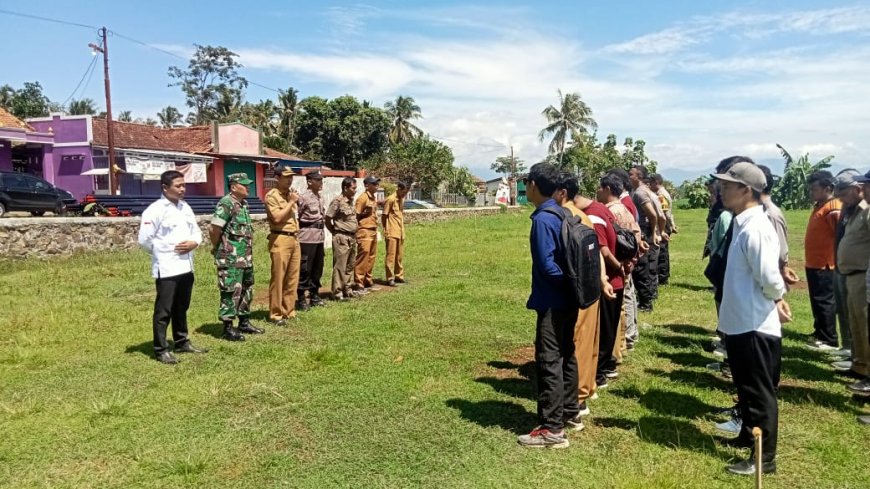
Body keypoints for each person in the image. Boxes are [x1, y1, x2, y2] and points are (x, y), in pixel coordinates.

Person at [713, 162, 790, 476]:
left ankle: (764, 458)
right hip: (741, 321)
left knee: (759, 393)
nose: (722, 190)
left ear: (747, 190)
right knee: (746, 388)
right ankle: (748, 435)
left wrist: (777, 299)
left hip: (754, 324)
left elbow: (770, 278)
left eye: (729, 185)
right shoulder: (743, 223)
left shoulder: (757, 227)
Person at [517, 163, 582, 448]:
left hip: (553, 300)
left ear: (533, 185)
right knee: (567, 353)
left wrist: (563, 284)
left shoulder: (543, 219)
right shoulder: (562, 212)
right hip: (570, 299)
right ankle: (570, 412)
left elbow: (547, 266)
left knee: (549, 360)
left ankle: (552, 429)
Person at [557, 174, 614, 418]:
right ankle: (587, 389)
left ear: (561, 192)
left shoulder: (567, 218)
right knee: (589, 339)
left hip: (578, 289)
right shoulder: (584, 217)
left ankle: (577, 399)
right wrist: (602, 280)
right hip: (591, 288)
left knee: (577, 341)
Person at [138, 170, 207, 364]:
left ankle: (182, 341)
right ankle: (161, 349)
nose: (182, 189)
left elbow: (197, 231)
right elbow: (145, 240)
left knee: (182, 306)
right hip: (167, 267)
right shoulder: (155, 210)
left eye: (184, 185)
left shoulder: (185, 207)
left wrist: (195, 243)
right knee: (164, 310)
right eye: (178, 186)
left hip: (186, 265)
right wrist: (163, 253)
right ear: (165, 188)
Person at [575, 186, 624, 389]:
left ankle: (600, 372)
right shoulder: (600, 208)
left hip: (608, 281)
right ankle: (607, 366)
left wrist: (616, 268)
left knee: (602, 330)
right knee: (609, 326)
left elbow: (601, 250)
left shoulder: (592, 216)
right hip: (614, 280)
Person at [210, 172, 263, 341]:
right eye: (244, 185)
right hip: (230, 258)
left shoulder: (243, 204)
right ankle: (227, 327)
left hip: (245, 257)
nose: (248, 187)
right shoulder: (226, 203)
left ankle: (244, 322)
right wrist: (217, 247)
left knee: (247, 288)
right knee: (230, 290)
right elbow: (214, 229)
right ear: (233, 187)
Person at [598, 174, 642, 354]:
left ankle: (621, 344)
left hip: (618, 266)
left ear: (608, 189)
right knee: (627, 300)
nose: (597, 191)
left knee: (620, 306)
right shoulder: (623, 208)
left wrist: (619, 265)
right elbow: (636, 234)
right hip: (627, 263)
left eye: (599, 188)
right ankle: (628, 337)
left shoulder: (611, 212)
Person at [837, 170, 870, 395]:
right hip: (851, 276)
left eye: (844, 192)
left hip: (862, 276)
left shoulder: (866, 212)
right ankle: (859, 367)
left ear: (857, 189)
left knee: (865, 326)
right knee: (855, 324)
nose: (840, 197)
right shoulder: (852, 212)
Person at [803, 171, 842, 351]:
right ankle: (819, 331)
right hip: (814, 262)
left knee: (824, 300)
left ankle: (829, 338)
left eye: (815, 189)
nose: (811, 192)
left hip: (826, 264)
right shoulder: (820, 204)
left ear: (828, 188)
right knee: (817, 299)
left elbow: (839, 236)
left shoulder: (833, 207)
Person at [264, 166, 301, 325]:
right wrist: (291, 202)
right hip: (280, 238)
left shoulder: (290, 195)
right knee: (279, 277)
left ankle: (289, 310)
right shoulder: (272, 196)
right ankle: (276, 314)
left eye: (291, 177)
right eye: (286, 177)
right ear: (277, 178)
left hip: (294, 238)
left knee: (292, 277)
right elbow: (277, 218)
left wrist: (291, 199)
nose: (289, 179)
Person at [629, 165, 664, 312]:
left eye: (631, 174)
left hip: (644, 231)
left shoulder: (640, 193)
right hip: (648, 231)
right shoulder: (646, 191)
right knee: (649, 266)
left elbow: (653, 215)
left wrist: (654, 231)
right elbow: (659, 215)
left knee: (642, 267)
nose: (628, 176)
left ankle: (645, 303)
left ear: (639, 177)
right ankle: (649, 296)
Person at [758, 165, 799, 286]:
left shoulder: (771, 213)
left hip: (770, 274)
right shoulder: (760, 210)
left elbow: (781, 250)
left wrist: (782, 267)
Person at [326, 177, 360, 301]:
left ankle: (347, 288)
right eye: (353, 188)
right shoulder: (337, 201)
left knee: (350, 265)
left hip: (352, 237)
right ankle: (337, 292)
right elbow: (328, 218)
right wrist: (335, 232)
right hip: (341, 237)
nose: (355, 190)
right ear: (345, 188)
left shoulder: (351, 201)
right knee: (340, 266)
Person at [297, 171, 326, 310]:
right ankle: (301, 298)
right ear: (309, 181)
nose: (321, 182)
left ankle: (314, 295)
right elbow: (297, 217)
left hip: (319, 237)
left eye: (321, 180)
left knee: (317, 268)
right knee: (305, 269)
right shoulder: (303, 197)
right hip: (307, 237)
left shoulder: (320, 197)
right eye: (318, 180)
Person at [354, 175, 381, 292]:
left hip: (373, 230)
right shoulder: (362, 198)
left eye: (376, 184)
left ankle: (368, 280)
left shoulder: (373, 198)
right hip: (364, 230)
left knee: (371, 257)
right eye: (374, 184)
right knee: (363, 256)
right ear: (367, 185)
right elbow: (356, 215)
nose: (376, 186)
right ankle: (358, 282)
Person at [649, 173, 676, 286]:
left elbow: (665, 214)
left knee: (662, 253)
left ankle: (663, 277)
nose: (649, 186)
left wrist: (670, 226)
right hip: (664, 225)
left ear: (656, 182)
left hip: (663, 226)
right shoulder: (662, 193)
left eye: (650, 183)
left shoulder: (661, 195)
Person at [383, 181, 409, 287]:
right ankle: (390, 278)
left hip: (400, 231)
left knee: (399, 256)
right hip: (391, 231)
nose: (404, 194)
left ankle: (399, 276)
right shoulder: (390, 199)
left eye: (405, 192)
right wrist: (386, 229)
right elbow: (384, 216)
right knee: (391, 256)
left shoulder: (401, 200)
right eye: (403, 192)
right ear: (398, 189)